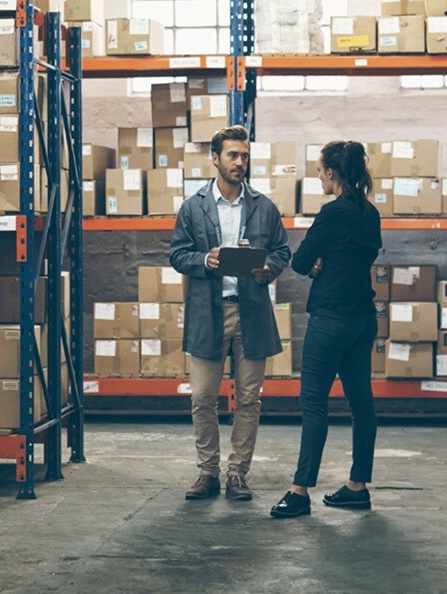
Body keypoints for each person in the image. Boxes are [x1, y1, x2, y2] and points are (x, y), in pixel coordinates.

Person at [169, 126, 291, 501]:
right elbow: (177, 255)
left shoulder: (263, 206)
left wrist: (268, 268)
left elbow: (283, 251)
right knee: (202, 397)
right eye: (233, 156)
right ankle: (207, 472)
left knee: (249, 398)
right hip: (209, 313)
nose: (240, 162)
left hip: (251, 313)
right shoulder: (193, 207)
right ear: (215, 158)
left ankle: (237, 473)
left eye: (244, 156)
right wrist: (205, 259)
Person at [270, 140, 383, 519]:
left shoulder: (331, 213)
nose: (318, 177)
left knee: (314, 403)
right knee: (361, 403)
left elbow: (300, 262)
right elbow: (362, 254)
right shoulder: (371, 214)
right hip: (363, 319)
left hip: (330, 318)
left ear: (331, 173)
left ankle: (299, 491)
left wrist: (320, 263)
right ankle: (358, 486)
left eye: (319, 171)